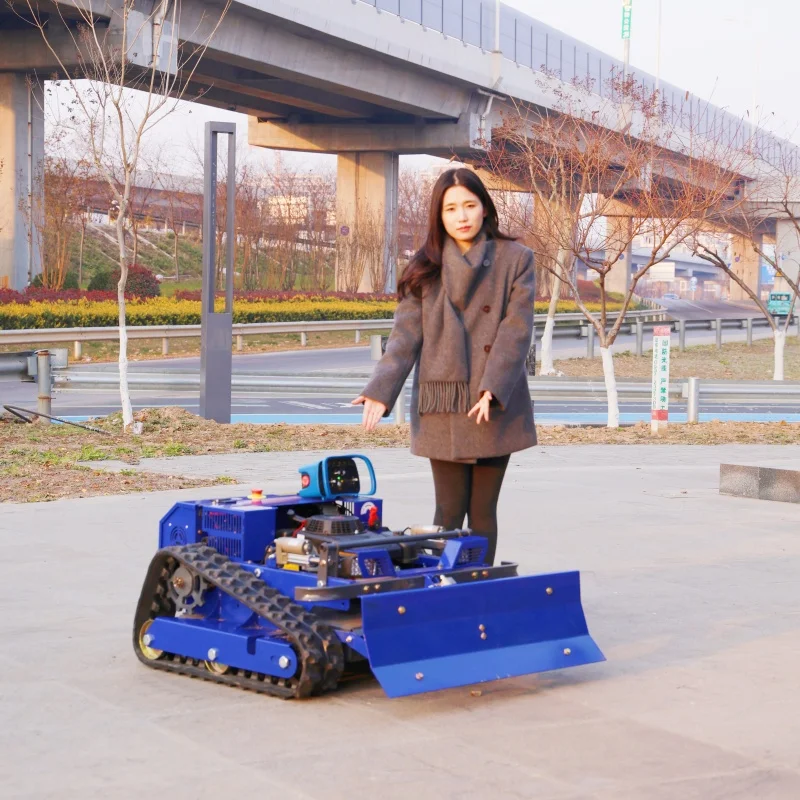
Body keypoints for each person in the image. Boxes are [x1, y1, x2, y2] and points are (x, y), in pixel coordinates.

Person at [352, 168, 537, 565]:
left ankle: (478, 588)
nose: (462, 216)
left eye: (469, 205)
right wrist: (380, 390)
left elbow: (516, 329)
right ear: (439, 216)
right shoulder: (425, 266)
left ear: (485, 208)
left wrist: (493, 387)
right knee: (449, 512)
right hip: (443, 403)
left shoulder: (516, 259)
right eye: (451, 208)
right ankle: (444, 587)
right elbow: (404, 337)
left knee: (483, 510)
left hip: (494, 403)